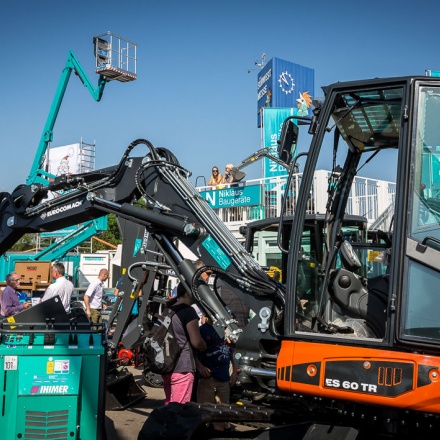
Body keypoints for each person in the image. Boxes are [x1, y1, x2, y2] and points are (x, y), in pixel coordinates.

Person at [163, 282, 207, 405]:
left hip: (167, 364)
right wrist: (205, 346)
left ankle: (166, 424)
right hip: (182, 366)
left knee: (169, 403)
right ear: (188, 293)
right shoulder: (189, 312)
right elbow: (196, 342)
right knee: (178, 408)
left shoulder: (168, 310)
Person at [196, 321, 237, 431]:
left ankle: (219, 431)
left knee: (222, 414)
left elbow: (233, 352)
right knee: (204, 412)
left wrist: (234, 372)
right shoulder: (202, 330)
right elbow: (193, 353)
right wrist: (200, 367)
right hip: (207, 379)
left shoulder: (228, 329)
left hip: (224, 379)